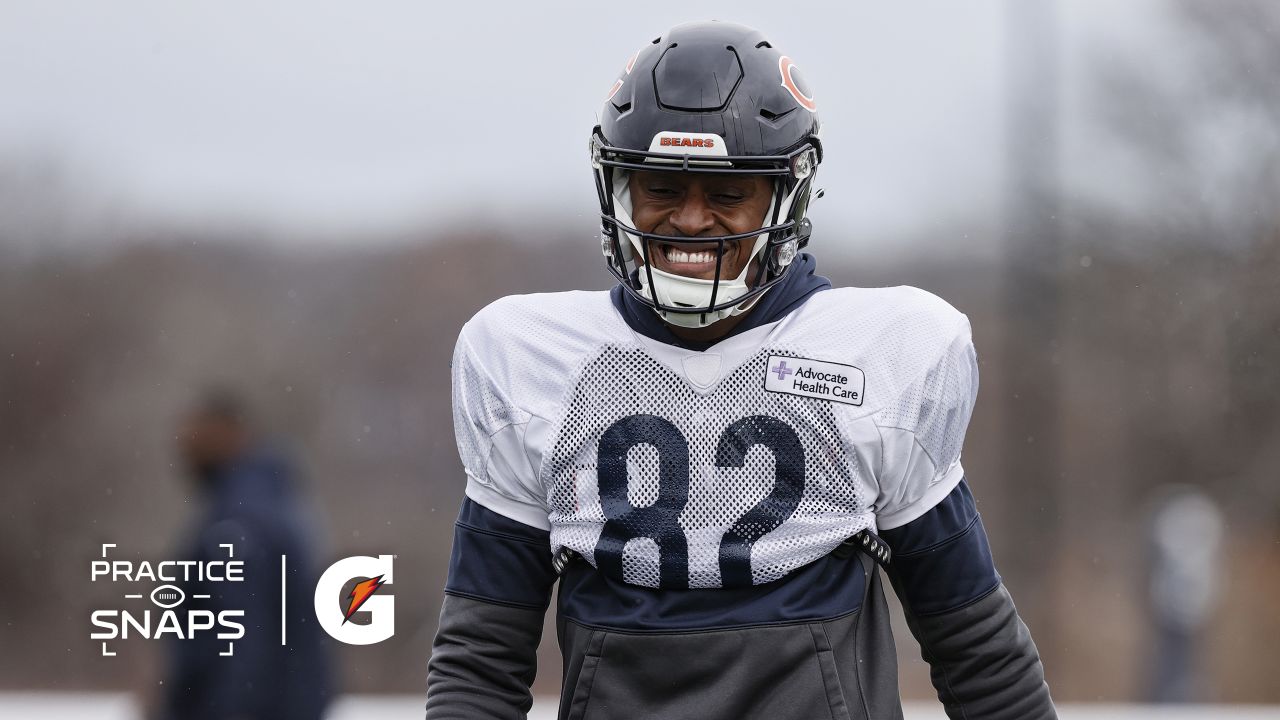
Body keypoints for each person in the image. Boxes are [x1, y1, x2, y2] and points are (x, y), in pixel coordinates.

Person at [426, 21, 1056, 720]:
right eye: (662, 185)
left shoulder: (879, 352)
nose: (690, 220)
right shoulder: (534, 359)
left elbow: (972, 642)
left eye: (727, 193)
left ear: (789, 194)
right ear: (619, 189)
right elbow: (481, 658)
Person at [160, 388, 334, 720]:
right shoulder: (269, 503)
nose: (184, 443)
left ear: (233, 433)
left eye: (197, 432)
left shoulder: (242, 520)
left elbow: (241, 641)